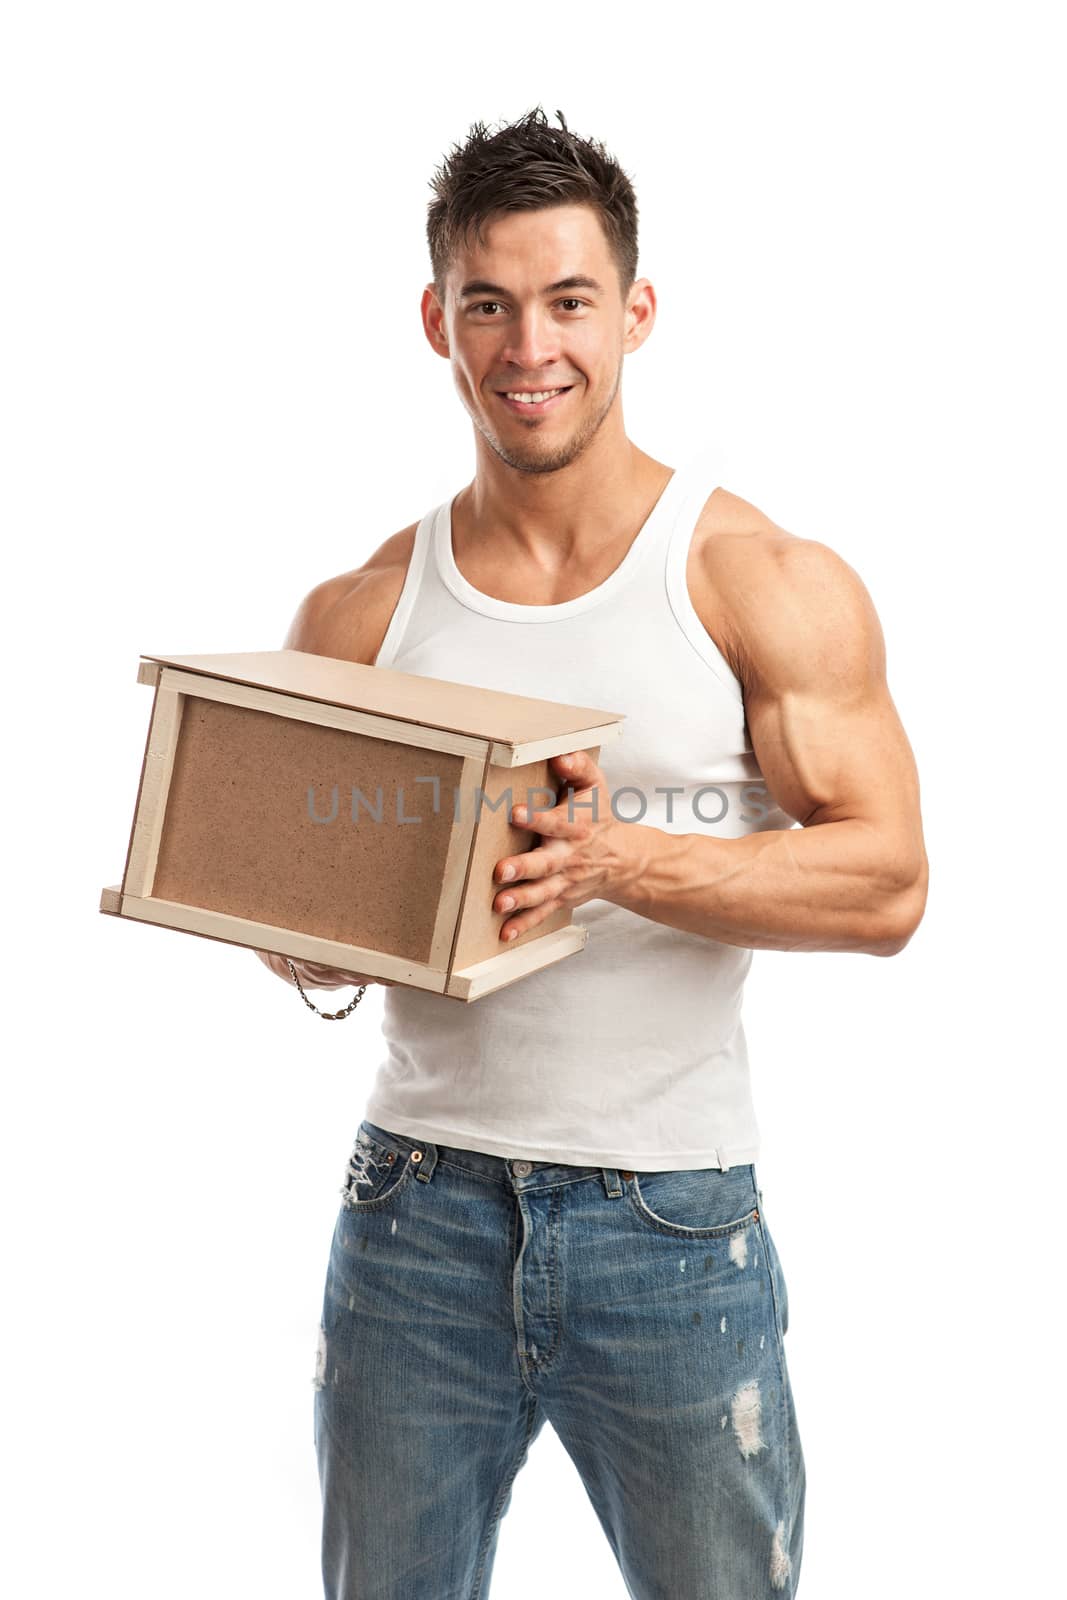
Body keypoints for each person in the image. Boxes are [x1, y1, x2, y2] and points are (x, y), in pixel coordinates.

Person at [256, 106, 928, 1599]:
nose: (528, 347)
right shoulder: (363, 613)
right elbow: (312, 917)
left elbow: (889, 881)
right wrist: (299, 933)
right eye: (487, 304)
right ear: (437, 320)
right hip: (414, 1214)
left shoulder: (757, 579)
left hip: (670, 1221)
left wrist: (624, 862)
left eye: (567, 302)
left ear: (633, 312)